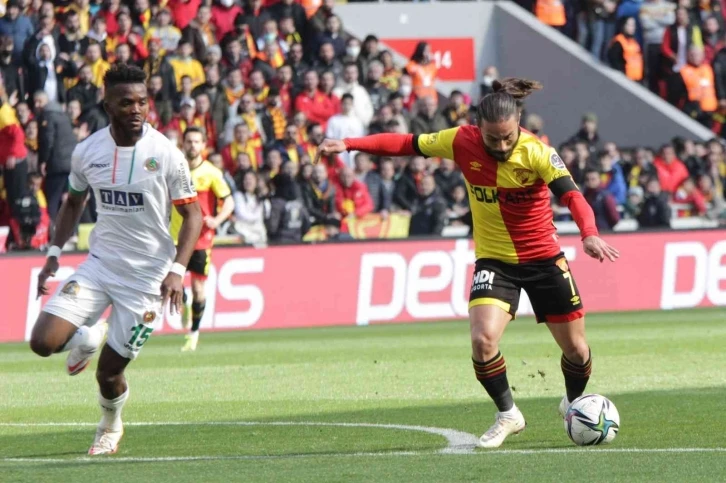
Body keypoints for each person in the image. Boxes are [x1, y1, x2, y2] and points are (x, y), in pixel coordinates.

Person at [317, 77, 619, 449]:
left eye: (508, 137)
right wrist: (349, 143)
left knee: (577, 351)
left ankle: (573, 402)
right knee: (482, 341)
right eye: (493, 139)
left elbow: (573, 196)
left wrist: (589, 233)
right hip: (494, 261)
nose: (502, 145)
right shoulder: (460, 140)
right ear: (478, 127)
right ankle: (508, 414)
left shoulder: (538, 152)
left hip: (543, 258)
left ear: (518, 122)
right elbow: (406, 143)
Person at [30, 64, 203, 455]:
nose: (136, 109)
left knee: (108, 374)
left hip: (147, 280)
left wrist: (177, 270)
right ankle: (88, 336)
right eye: (126, 103)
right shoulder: (87, 151)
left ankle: (110, 425)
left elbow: (193, 215)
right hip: (100, 266)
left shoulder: (165, 153)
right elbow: (73, 202)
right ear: (107, 104)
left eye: (142, 101)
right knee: (42, 342)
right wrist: (54, 253)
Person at [170, 127, 234, 352]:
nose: (192, 145)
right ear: (183, 143)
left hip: (201, 239)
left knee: (199, 288)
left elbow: (229, 201)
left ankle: (194, 333)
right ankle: (183, 302)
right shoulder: (174, 169)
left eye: (197, 142)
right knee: (172, 282)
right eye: (189, 141)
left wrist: (217, 220)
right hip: (174, 237)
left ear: (204, 145)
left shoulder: (211, 173)